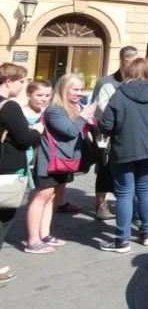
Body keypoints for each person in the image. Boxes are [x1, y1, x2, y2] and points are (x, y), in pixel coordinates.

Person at [97, 58, 148, 253]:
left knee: (124, 193)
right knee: (145, 190)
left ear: (128, 72)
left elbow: (105, 125)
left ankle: (122, 241)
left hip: (124, 149)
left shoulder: (119, 95)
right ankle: (147, 233)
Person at [26, 73, 96, 254]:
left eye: (81, 89)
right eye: (75, 89)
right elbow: (70, 131)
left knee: (51, 198)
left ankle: (45, 234)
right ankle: (33, 240)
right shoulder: (55, 109)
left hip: (64, 160)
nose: (80, 93)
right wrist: (83, 115)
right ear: (64, 89)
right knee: (41, 197)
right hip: (50, 159)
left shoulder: (74, 107)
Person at [0, 63, 43, 283]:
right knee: (3, 218)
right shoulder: (9, 106)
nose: (23, 85)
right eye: (22, 81)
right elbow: (24, 138)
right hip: (5, 169)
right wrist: (37, 132)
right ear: (9, 81)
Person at [90, 45, 139, 221]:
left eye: (134, 62)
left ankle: (128, 206)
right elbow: (95, 110)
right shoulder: (106, 82)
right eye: (128, 63)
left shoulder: (139, 82)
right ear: (121, 61)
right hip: (107, 135)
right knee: (104, 170)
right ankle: (101, 205)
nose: (131, 67)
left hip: (130, 135)